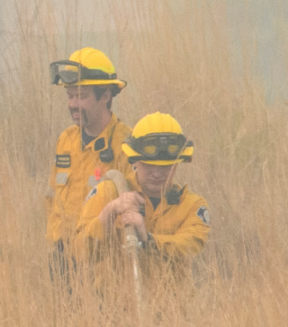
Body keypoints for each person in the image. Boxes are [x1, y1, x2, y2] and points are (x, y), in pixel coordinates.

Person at [74, 113, 210, 267]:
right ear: (134, 160)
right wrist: (109, 212)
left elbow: (191, 246)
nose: (157, 173)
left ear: (178, 163)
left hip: (173, 292)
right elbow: (79, 252)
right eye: (148, 165)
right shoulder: (109, 192)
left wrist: (148, 240)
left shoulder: (192, 205)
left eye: (166, 166)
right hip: (115, 291)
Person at [46, 48, 128, 271]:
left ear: (106, 95)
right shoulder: (65, 141)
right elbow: (53, 201)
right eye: (70, 96)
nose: (73, 104)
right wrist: (57, 248)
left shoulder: (125, 144)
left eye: (82, 96)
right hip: (62, 264)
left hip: (103, 270)